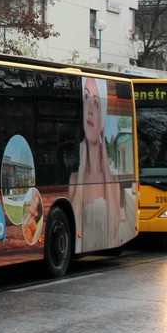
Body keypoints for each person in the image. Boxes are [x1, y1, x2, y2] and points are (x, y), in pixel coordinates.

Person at [68, 78, 122, 252]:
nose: (90, 109)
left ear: (103, 117)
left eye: (97, 103)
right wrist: (83, 170)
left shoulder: (112, 179)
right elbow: (75, 230)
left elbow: (113, 230)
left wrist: (105, 167)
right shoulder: (75, 177)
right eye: (86, 98)